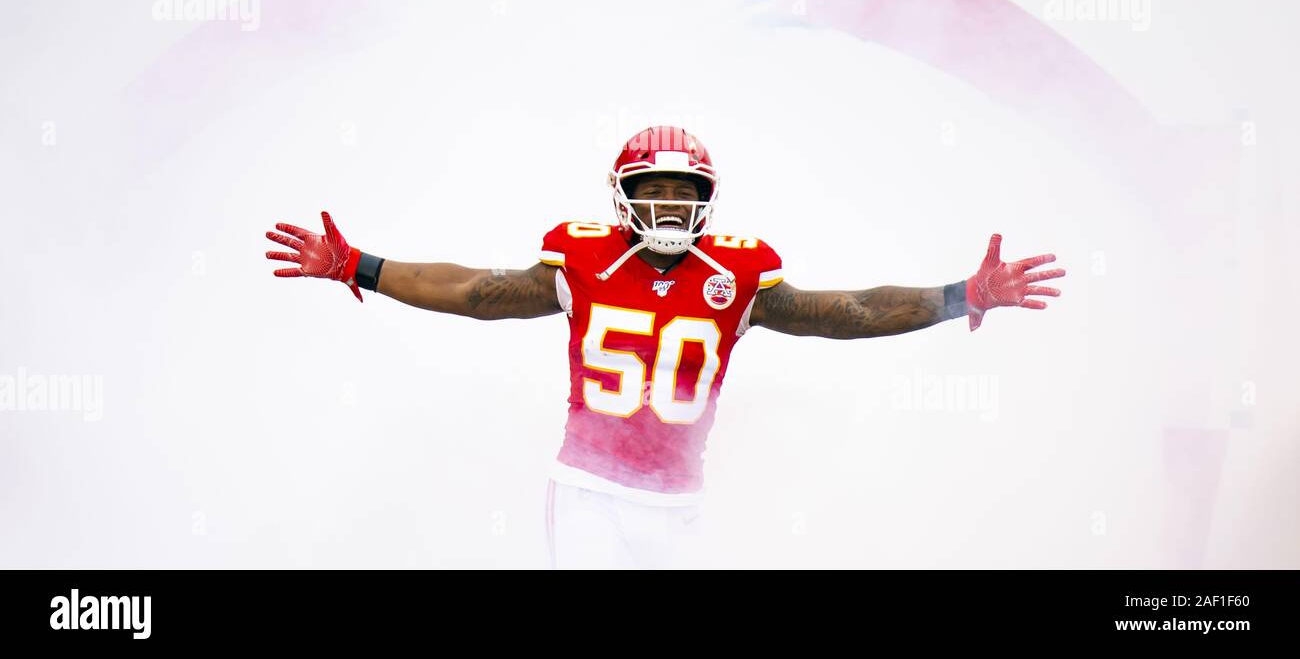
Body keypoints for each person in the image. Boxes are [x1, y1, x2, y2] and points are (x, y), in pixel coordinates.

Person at [264, 125, 1065, 568]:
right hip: (589, 494)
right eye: (655, 190)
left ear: (708, 200)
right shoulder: (584, 260)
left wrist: (966, 293)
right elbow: (475, 293)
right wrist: (356, 265)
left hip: (681, 505)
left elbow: (847, 311)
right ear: (623, 197)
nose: (672, 204)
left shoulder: (737, 276)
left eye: (686, 191)